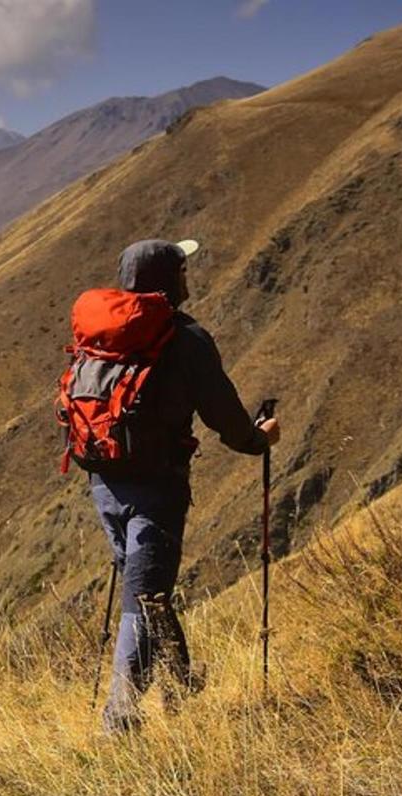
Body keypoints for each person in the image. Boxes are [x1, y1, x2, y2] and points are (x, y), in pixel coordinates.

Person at [88, 238, 280, 732]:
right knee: (143, 600)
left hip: (104, 483)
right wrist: (259, 441)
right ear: (171, 281)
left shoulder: (102, 334)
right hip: (158, 488)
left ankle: (179, 680)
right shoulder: (186, 341)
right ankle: (119, 722)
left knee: (145, 589)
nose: (189, 278)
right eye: (183, 271)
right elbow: (226, 417)